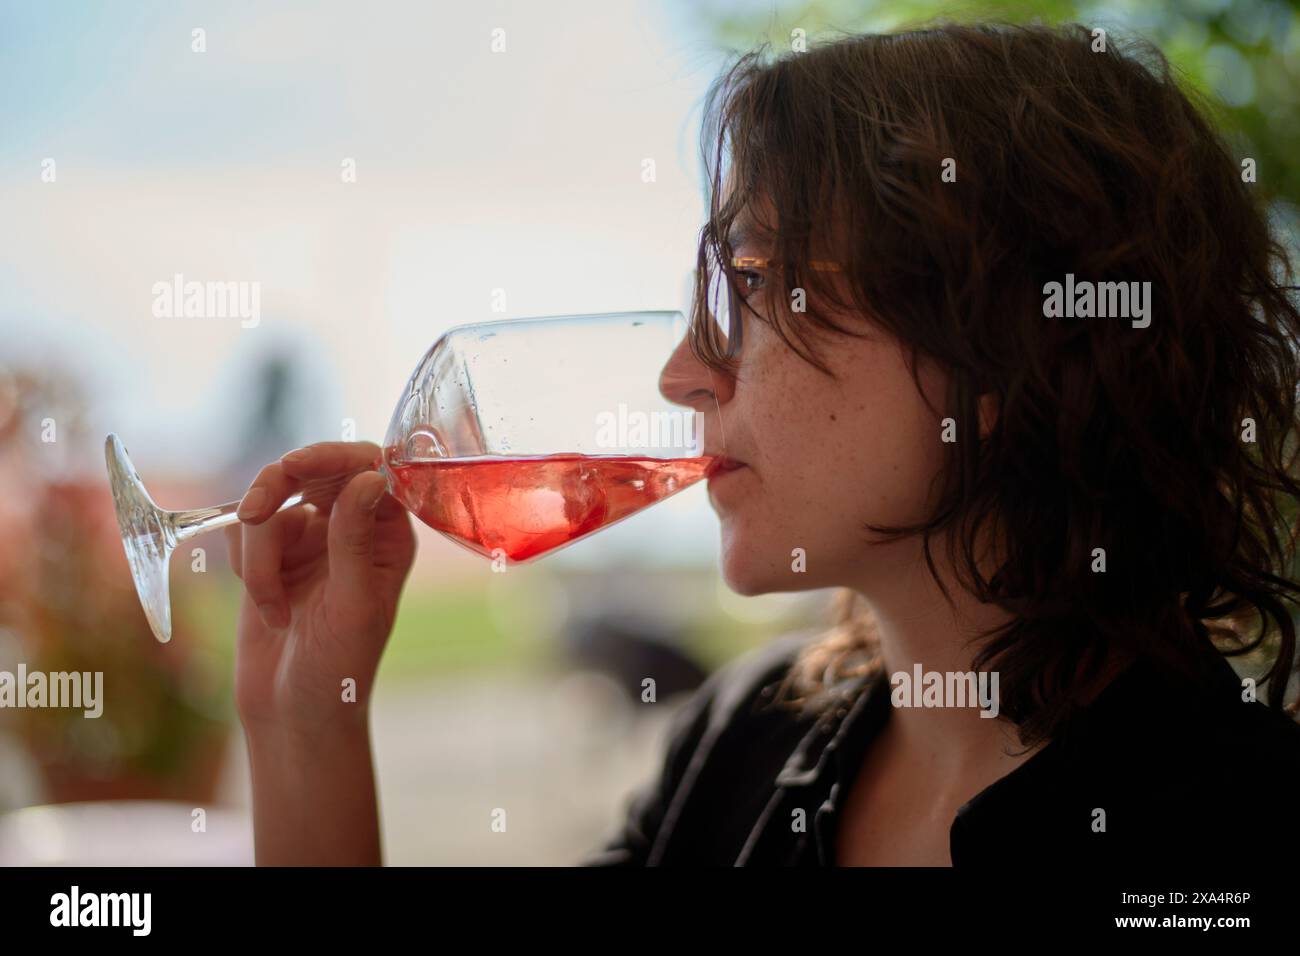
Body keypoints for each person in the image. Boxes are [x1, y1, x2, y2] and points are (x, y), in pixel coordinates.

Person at [225, 22, 1300, 866]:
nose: (682, 372)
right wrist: (304, 717)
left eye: (753, 288)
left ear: (1001, 355)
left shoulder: (1226, 839)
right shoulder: (744, 741)